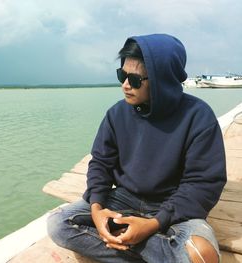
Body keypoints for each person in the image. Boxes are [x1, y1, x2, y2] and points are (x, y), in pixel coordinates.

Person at [47, 33, 227, 263]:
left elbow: (203, 183)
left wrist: (154, 224)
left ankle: (127, 247)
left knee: (203, 257)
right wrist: (97, 209)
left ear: (162, 80)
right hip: (123, 199)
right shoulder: (116, 114)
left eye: (134, 79)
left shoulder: (198, 117)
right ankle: (153, 253)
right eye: (122, 74)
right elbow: (101, 164)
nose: (124, 85)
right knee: (58, 224)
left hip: (174, 207)